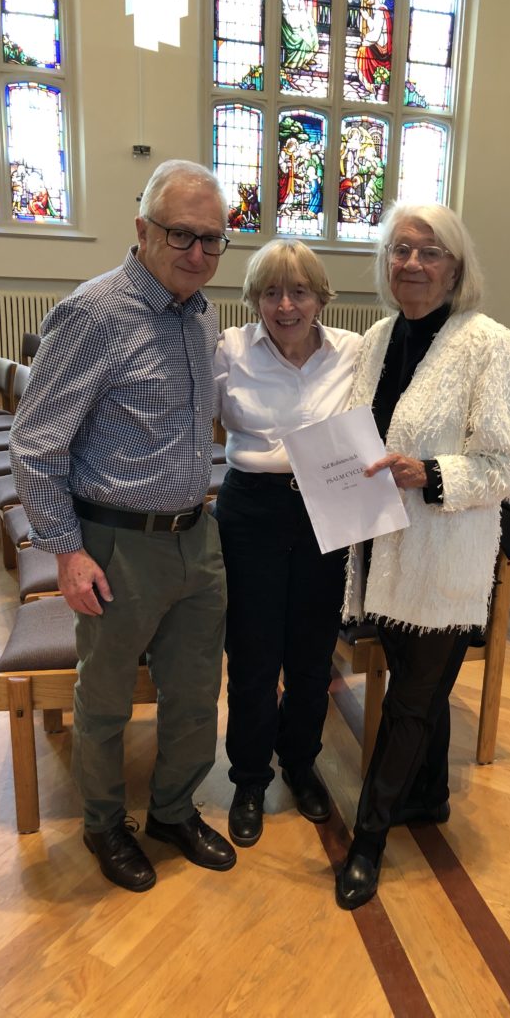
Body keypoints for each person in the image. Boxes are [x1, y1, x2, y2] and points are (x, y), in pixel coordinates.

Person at [10, 160, 236, 893]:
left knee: (197, 690)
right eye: (182, 235)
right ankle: (106, 825)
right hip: (115, 545)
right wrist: (68, 553)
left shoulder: (201, 317)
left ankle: (172, 810)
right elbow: (36, 443)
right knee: (105, 699)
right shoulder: (94, 314)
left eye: (213, 240)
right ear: (142, 230)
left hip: (195, 538)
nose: (198, 254)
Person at [335, 202, 510, 910]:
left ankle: (369, 841)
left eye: (430, 252)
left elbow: (509, 466)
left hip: (445, 551)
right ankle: (429, 797)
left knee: (412, 703)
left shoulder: (489, 344)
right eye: (400, 250)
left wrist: (432, 473)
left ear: (456, 265)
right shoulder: (379, 337)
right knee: (420, 686)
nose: (413, 264)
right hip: (381, 546)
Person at [213, 239, 360, 848]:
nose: (285, 304)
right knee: (252, 654)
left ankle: (300, 763)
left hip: (328, 503)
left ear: (321, 297)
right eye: (270, 292)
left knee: (310, 655)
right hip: (252, 507)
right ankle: (249, 777)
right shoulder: (229, 349)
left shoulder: (354, 350)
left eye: (299, 291)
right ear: (254, 300)